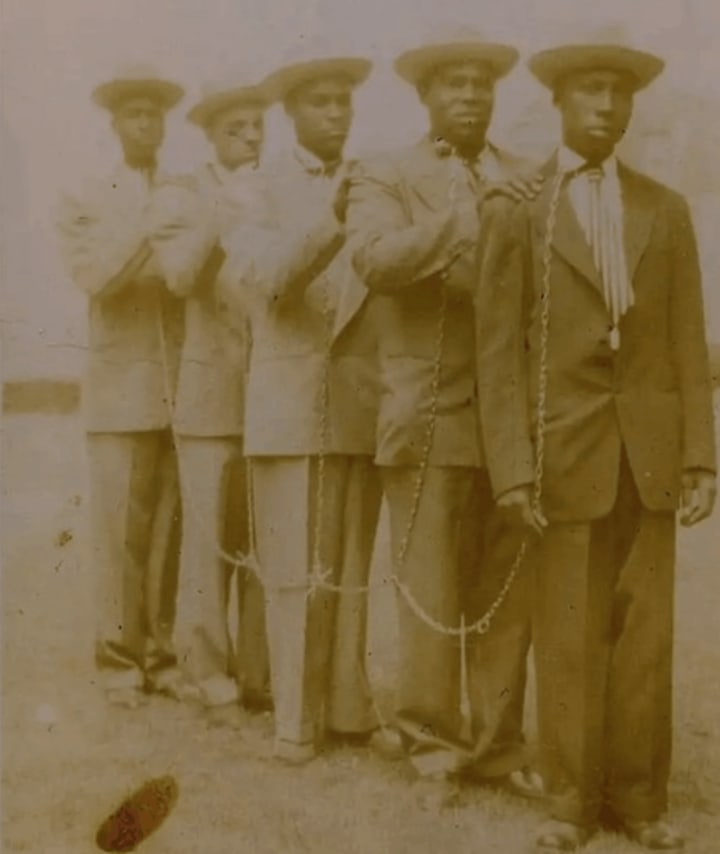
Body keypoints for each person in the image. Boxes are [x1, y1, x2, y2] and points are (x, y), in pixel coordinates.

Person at [474, 26, 717, 852]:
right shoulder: (519, 209)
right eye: (591, 91)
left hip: (649, 455)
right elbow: (498, 352)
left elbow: (686, 340)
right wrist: (513, 470)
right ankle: (570, 805)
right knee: (570, 631)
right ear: (558, 101)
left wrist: (699, 457)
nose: (607, 107)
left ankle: (640, 803)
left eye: (620, 94)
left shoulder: (665, 209)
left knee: (646, 634)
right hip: (561, 453)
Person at [344, 25, 542, 798]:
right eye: (453, 84)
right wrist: (469, 217)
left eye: (481, 84)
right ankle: (429, 738)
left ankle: (497, 746)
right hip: (427, 413)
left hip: (513, 424)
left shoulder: (528, 174)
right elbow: (374, 261)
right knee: (428, 587)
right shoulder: (385, 174)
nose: (469, 95)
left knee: (505, 591)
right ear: (424, 95)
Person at [218, 44, 385, 763]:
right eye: (321, 102)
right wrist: (333, 218)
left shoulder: (372, 178)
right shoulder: (251, 189)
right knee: (293, 574)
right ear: (289, 113)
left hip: (359, 402)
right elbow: (267, 279)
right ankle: (295, 720)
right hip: (287, 406)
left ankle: (347, 711)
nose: (336, 113)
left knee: (349, 569)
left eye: (344, 101)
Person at [56, 66, 189, 709]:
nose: (147, 125)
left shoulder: (182, 190)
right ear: (114, 124)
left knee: (167, 534)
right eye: (135, 114)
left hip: (179, 390)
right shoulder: (86, 196)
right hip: (118, 394)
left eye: (155, 114)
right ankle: (117, 660)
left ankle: (159, 656)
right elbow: (97, 277)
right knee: (120, 536)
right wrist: (150, 227)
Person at [149, 74, 273, 728]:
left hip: (271, 392)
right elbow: (175, 275)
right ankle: (203, 668)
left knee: (261, 540)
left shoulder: (275, 188)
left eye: (258, 127)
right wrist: (221, 217)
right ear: (209, 136)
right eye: (237, 129)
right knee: (205, 543)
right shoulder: (182, 194)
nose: (252, 138)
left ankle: (257, 672)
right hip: (209, 391)